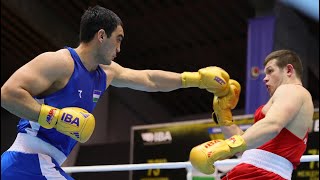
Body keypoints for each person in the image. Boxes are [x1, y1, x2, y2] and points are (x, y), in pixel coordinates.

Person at [0, 5, 234, 180]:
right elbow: (7, 93)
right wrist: (53, 117)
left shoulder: (106, 73)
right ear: (101, 36)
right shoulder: (60, 62)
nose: (119, 49)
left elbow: (149, 79)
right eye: (118, 39)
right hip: (28, 159)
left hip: (42, 165)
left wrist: (195, 79)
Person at [189, 50, 314, 180]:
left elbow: (273, 124)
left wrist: (227, 146)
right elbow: (246, 147)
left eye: (270, 71)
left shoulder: (293, 90)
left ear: (288, 70)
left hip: (261, 174)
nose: (265, 78)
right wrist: (224, 115)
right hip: (256, 172)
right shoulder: (287, 101)